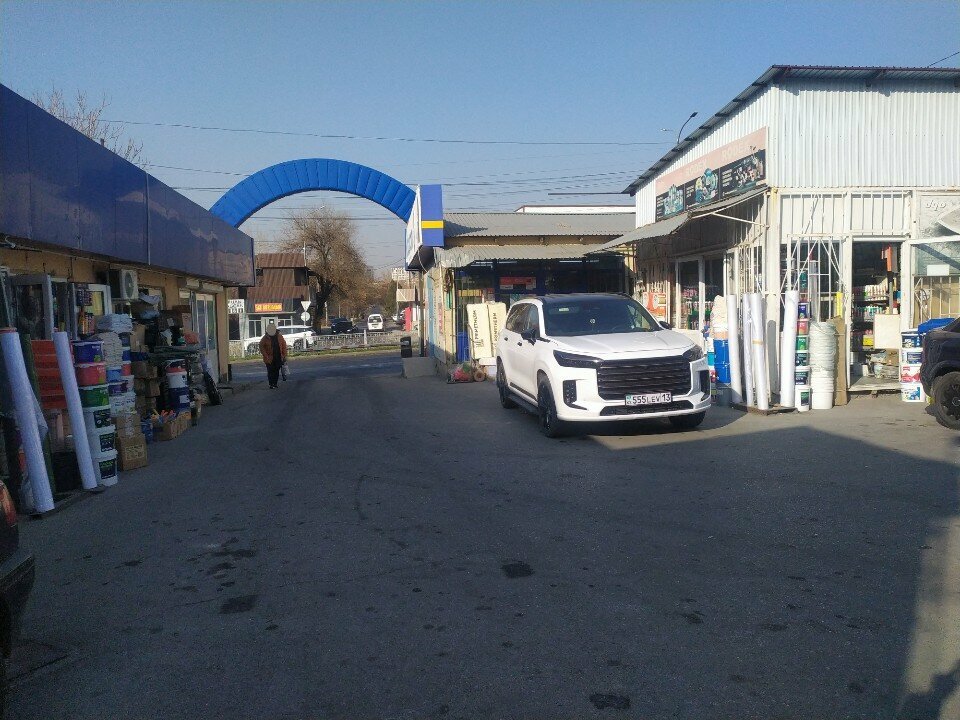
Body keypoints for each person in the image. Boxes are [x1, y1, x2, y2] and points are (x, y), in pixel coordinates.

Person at [258, 322, 288, 389]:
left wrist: (284, 355)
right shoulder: (265, 337)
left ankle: (275, 383)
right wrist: (265, 355)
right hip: (269, 358)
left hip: (278, 356)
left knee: (276, 370)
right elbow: (261, 346)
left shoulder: (279, 336)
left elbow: (284, 346)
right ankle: (271, 384)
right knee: (270, 371)